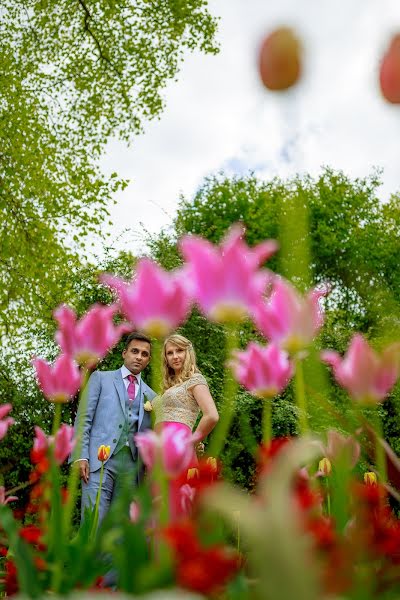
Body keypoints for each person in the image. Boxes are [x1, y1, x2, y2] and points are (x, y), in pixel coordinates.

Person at [73, 332, 156, 524]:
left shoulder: (152, 396)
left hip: (131, 468)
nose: (139, 357)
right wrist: (81, 455)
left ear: (149, 360)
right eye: (135, 351)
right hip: (98, 461)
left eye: (144, 354)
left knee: (119, 528)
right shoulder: (101, 379)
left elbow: (153, 437)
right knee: (94, 521)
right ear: (124, 353)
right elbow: (84, 419)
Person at [152, 333, 219, 517]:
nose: (175, 356)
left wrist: (191, 441)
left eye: (179, 350)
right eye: (170, 352)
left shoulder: (195, 380)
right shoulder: (168, 386)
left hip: (179, 448)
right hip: (159, 451)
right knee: (159, 508)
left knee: (177, 506)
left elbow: (212, 415)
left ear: (188, 352)